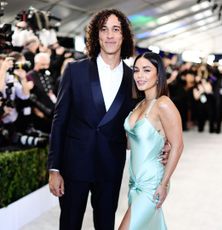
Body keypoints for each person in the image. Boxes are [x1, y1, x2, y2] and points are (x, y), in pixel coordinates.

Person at [48, 9, 169, 230]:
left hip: (110, 166)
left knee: (105, 224)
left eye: (116, 29)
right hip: (74, 165)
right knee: (69, 224)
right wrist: (54, 169)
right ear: (96, 35)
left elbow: (147, 115)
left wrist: (165, 142)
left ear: (124, 36)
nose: (110, 35)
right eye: (104, 30)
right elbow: (59, 120)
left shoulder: (133, 78)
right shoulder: (75, 70)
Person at [119, 52, 184, 230]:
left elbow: (178, 145)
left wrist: (163, 184)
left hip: (152, 183)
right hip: (134, 182)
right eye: (136, 70)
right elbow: (131, 144)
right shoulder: (138, 106)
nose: (140, 75)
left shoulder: (163, 104)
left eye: (146, 70)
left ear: (158, 75)